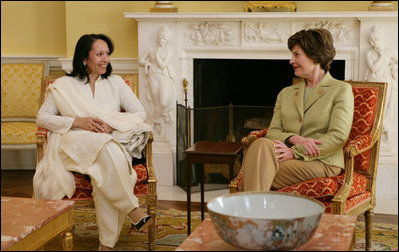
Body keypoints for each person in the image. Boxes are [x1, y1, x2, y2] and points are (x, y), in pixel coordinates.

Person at [33, 34, 153, 251]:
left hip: (109, 141)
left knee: (104, 166)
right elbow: (43, 118)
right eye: (99, 54)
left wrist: (112, 124)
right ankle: (132, 210)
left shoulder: (116, 83)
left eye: (107, 53)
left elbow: (139, 113)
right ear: (84, 58)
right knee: (108, 152)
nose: (105, 59)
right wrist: (77, 121)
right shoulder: (63, 85)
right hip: (73, 144)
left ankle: (105, 246)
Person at [241, 28, 354, 192]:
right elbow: (273, 131)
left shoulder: (340, 90)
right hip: (284, 159)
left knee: (255, 169)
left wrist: (295, 152)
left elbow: (338, 137)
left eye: (296, 55)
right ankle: (256, 214)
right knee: (261, 145)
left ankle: (247, 214)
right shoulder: (285, 93)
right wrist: (295, 139)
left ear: (314, 55)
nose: (291, 61)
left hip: (322, 162)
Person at [139, 27, 175, 139]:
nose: (161, 39)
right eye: (160, 37)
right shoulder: (152, 49)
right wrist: (148, 62)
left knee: (163, 103)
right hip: (153, 77)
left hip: (163, 77)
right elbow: (140, 60)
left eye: (164, 37)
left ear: (167, 39)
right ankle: (160, 126)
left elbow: (162, 65)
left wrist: (157, 54)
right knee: (156, 104)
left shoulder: (168, 50)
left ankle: (151, 120)